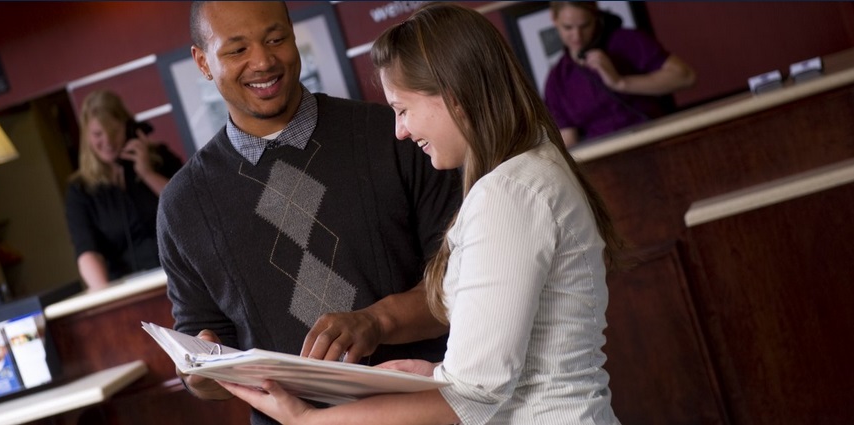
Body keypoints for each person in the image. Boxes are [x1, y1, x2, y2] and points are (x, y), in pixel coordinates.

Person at [219, 2, 625, 424]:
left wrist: (305, 419)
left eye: (403, 109)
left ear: (454, 96)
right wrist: (435, 374)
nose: (401, 130)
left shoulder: (508, 194)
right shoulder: (526, 173)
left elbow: (470, 398)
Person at [157, 1, 461, 424]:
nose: (263, 61)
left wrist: (378, 321)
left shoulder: (395, 136)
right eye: (237, 50)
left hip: (429, 412)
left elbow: (465, 286)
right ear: (203, 62)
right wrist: (202, 374)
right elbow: (202, 344)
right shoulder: (182, 205)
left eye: (276, 39)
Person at [64, 90, 182, 290]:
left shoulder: (161, 159)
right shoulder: (80, 190)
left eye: (114, 132)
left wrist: (147, 173)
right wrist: (106, 298)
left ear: (128, 128)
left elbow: (188, 208)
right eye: (98, 134)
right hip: (126, 286)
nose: (108, 142)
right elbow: (87, 251)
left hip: (181, 274)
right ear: (87, 137)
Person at [544, 1, 696, 147]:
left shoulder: (627, 41)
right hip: (605, 164)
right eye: (568, 28)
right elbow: (569, 141)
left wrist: (621, 82)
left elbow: (686, 77)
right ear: (554, 19)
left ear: (595, 14)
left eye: (585, 26)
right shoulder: (556, 81)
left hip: (656, 140)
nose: (577, 36)